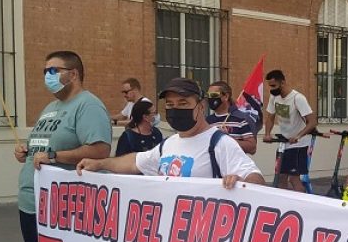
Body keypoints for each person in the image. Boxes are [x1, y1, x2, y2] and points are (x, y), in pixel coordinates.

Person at [15, 51, 112, 242]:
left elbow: (99, 150)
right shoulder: (50, 108)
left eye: (54, 70)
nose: (48, 76)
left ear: (74, 72)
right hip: (31, 201)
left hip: (62, 206)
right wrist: (25, 153)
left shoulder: (88, 106)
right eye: (45, 70)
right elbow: (39, 150)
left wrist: (56, 155)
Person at [78, 77, 265, 186]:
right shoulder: (167, 144)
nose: (175, 109)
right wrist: (99, 163)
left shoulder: (219, 143)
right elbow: (134, 162)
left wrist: (242, 184)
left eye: (183, 104)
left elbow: (255, 178)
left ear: (200, 107)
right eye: (170, 104)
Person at [262, 69, 317, 192]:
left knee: (293, 179)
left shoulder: (297, 98)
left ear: (282, 83)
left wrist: (298, 136)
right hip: (284, 143)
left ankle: (302, 206)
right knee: (281, 177)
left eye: (274, 86)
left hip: (298, 144)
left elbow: (312, 122)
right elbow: (270, 117)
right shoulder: (274, 97)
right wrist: (267, 134)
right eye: (270, 86)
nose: (272, 89)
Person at [205, 80, 258, 155]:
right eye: (208, 95)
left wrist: (227, 139)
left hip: (234, 165)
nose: (210, 98)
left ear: (226, 96)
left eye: (213, 95)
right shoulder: (207, 121)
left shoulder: (241, 118)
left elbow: (252, 148)